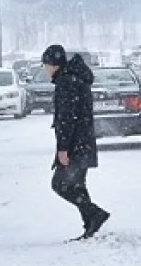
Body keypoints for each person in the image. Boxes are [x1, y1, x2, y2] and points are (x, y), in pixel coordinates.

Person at [42, 44, 110, 241]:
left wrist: (63, 149)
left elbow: (66, 119)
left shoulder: (66, 83)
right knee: (77, 185)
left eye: (46, 64)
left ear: (54, 64)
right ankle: (91, 224)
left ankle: (95, 214)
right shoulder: (76, 79)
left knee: (60, 184)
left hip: (75, 145)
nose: (45, 68)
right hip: (83, 141)